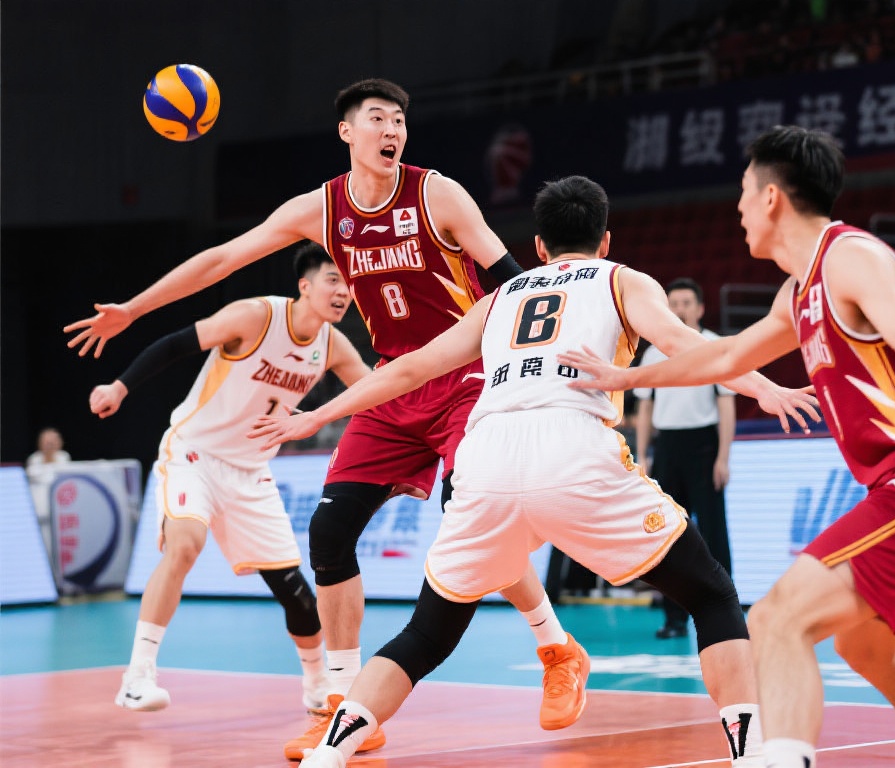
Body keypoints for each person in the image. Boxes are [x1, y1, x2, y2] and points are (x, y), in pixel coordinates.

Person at [65, 78, 587, 758]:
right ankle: (345, 707)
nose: (391, 129)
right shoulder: (321, 210)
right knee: (330, 533)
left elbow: (514, 284)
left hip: (464, 376)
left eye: (399, 120)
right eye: (377, 118)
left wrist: (549, 365)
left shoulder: (438, 196)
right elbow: (222, 259)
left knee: (473, 517)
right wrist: (134, 309)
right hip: (393, 381)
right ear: (347, 132)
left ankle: (556, 648)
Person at [248, 174, 822, 768]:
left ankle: (330, 753)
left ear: (540, 247)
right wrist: (762, 387)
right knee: (711, 593)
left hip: (487, 459)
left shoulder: (501, 298)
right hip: (573, 450)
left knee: (426, 635)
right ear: (605, 240)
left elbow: (407, 370)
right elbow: (684, 343)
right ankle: (750, 753)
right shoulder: (621, 279)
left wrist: (317, 416)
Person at [561, 126, 895, 768]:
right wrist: (625, 378)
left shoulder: (849, 257)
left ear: (772, 197)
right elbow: (724, 356)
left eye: (744, 192)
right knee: (865, 646)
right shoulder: (798, 292)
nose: (739, 209)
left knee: (777, 619)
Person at [87, 243, 371, 722]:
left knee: (298, 596)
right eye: (332, 280)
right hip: (195, 452)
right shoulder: (256, 316)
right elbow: (175, 344)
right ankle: (137, 677)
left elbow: (373, 392)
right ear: (304, 286)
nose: (343, 291)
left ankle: (316, 685)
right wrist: (120, 386)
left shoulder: (333, 345)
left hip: (251, 472)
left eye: (348, 284)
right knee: (185, 545)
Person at [633, 277, 735, 639]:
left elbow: (726, 404)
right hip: (668, 448)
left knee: (714, 532)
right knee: (669, 536)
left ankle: (727, 616)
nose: (679, 309)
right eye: (673, 303)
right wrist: (643, 455)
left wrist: (723, 457)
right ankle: (674, 618)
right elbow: (645, 409)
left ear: (700, 308)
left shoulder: (715, 345)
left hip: (704, 446)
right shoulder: (654, 352)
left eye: (686, 303)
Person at [25, 427, 72, 560]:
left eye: (52, 442)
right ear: (40, 444)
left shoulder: (64, 458)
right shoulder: (34, 460)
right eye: (47, 442)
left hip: (61, 516)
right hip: (40, 514)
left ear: (59, 443)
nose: (50, 445)